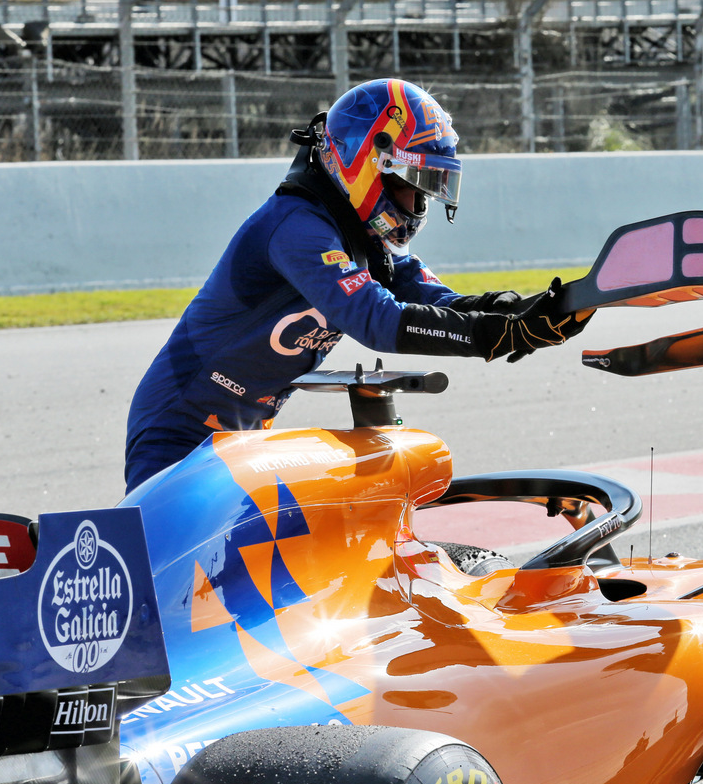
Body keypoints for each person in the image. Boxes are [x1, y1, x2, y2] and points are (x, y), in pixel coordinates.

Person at [125, 78, 590, 492]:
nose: (421, 201)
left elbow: (438, 301)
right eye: (415, 181)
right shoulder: (296, 225)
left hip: (242, 437)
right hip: (177, 430)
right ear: (370, 163)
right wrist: (494, 336)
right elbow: (380, 321)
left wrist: (522, 312)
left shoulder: (364, 238)